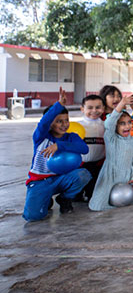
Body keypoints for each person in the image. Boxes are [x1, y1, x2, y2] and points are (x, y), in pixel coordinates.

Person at [23, 88, 91, 222]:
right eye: (59, 121)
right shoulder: (41, 137)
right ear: (50, 124)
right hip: (40, 182)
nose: (64, 124)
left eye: (66, 120)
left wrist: (60, 145)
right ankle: (45, 199)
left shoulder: (72, 137)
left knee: (83, 174)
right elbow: (43, 123)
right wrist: (59, 104)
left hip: (62, 179)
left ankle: (65, 199)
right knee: (33, 217)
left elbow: (84, 149)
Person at [89, 95, 133, 211]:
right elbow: (109, 123)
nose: (127, 126)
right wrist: (121, 104)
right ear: (116, 126)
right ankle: (113, 199)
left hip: (129, 176)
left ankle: (125, 199)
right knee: (96, 206)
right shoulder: (111, 138)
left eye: (129, 122)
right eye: (122, 123)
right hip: (110, 175)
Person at [79, 94, 106, 200]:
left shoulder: (106, 125)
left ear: (103, 109)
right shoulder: (78, 126)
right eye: (90, 108)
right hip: (81, 165)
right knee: (76, 196)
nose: (94, 110)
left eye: (98, 107)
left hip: (99, 166)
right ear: (82, 109)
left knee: (93, 195)